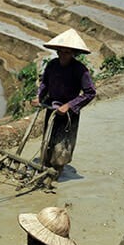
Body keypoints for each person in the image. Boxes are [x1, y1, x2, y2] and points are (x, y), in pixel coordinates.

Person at [33, 29, 96, 178]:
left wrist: (69, 106)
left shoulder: (81, 70)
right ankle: (44, 168)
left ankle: (56, 176)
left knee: (61, 147)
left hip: (68, 114)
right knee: (47, 142)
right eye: (60, 51)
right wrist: (39, 97)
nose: (63, 55)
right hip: (52, 108)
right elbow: (44, 84)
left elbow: (90, 93)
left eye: (67, 52)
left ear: (73, 53)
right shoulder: (52, 65)